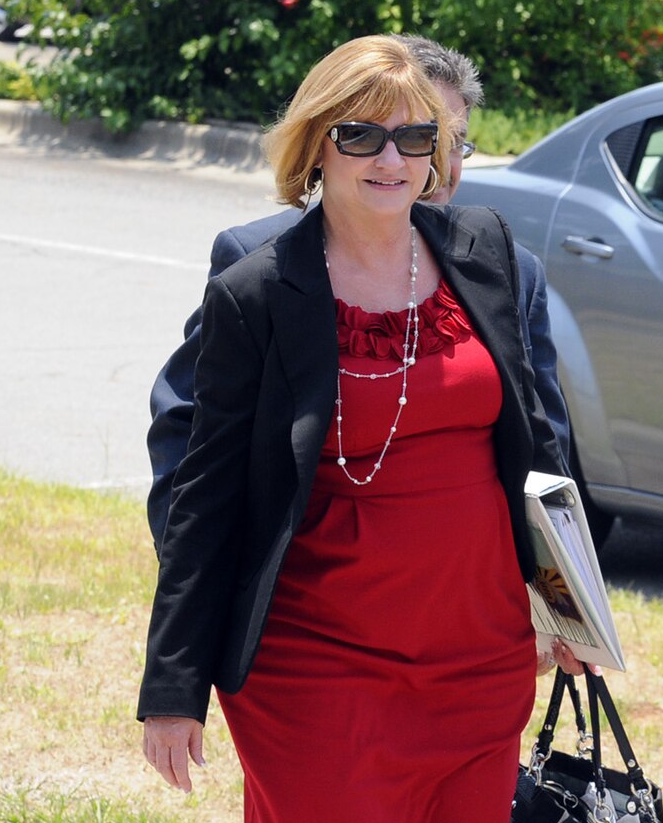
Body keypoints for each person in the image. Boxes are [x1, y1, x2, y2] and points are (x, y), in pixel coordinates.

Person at [136, 35, 568, 823]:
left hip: (475, 653)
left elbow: (539, 448)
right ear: (315, 148)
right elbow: (205, 490)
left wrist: (570, 611)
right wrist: (173, 687)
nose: (392, 160)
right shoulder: (258, 288)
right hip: (320, 658)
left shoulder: (483, 251)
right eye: (363, 136)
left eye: (416, 139)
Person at [145, 34, 572, 550]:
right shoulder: (258, 264)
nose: (402, 157)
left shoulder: (509, 268)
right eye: (368, 136)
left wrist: (559, 601)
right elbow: (187, 429)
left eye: (437, 138)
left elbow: (544, 462)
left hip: (478, 604)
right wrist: (206, 582)